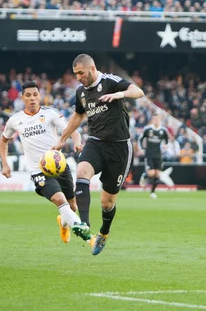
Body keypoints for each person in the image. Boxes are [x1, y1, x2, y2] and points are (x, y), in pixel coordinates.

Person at [53, 54, 144, 256]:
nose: (78, 77)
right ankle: (84, 224)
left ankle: (104, 232)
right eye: (75, 73)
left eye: (81, 73)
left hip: (120, 148)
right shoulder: (81, 92)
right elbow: (77, 116)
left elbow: (138, 92)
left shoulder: (111, 82)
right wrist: (62, 140)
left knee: (107, 202)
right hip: (95, 143)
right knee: (82, 172)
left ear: (92, 69)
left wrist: (119, 95)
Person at [0, 81, 91, 244]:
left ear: (40, 96)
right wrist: (4, 163)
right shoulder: (15, 120)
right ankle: (82, 229)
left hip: (59, 166)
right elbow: (4, 140)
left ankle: (63, 222)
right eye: (28, 95)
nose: (32, 98)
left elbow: (72, 130)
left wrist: (77, 142)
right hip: (39, 170)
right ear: (22, 98)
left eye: (35, 95)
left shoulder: (51, 114)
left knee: (72, 206)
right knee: (59, 200)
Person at [138, 114, 169, 199]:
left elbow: (166, 140)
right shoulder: (148, 129)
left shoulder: (163, 130)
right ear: (152, 120)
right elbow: (141, 139)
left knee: (157, 173)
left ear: (160, 120)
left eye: (158, 119)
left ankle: (152, 192)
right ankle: (144, 175)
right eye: (154, 119)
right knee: (151, 173)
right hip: (149, 154)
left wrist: (165, 146)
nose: (156, 120)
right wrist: (141, 149)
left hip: (158, 154)